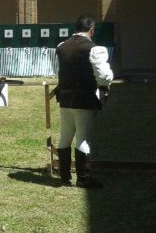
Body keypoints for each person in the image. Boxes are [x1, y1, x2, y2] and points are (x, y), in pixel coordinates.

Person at [55, 15, 113, 188]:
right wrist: (104, 85)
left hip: (65, 98)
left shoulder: (61, 47)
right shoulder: (95, 49)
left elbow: (58, 70)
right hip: (84, 97)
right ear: (91, 30)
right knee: (83, 138)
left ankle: (65, 177)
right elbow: (103, 75)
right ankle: (83, 179)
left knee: (65, 136)